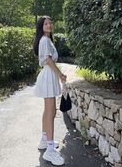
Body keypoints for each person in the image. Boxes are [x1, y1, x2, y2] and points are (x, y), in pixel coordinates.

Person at [33, 15, 67, 166]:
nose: (49, 25)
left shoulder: (46, 40)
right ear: (41, 27)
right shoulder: (45, 40)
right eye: (45, 24)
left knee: (49, 111)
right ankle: (50, 150)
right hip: (49, 76)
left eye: (50, 23)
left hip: (49, 76)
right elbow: (48, 60)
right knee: (51, 112)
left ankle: (45, 140)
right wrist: (60, 74)